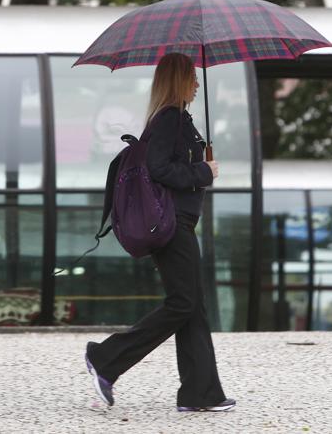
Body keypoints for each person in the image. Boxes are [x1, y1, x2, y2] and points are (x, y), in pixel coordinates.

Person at [84, 52, 236, 413]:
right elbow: (159, 168)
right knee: (183, 303)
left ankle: (201, 394)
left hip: (178, 224)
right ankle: (105, 359)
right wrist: (204, 172)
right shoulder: (170, 119)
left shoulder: (177, 119)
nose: (198, 84)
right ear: (178, 80)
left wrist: (199, 167)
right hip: (172, 225)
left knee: (193, 307)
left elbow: (168, 165)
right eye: (192, 78)